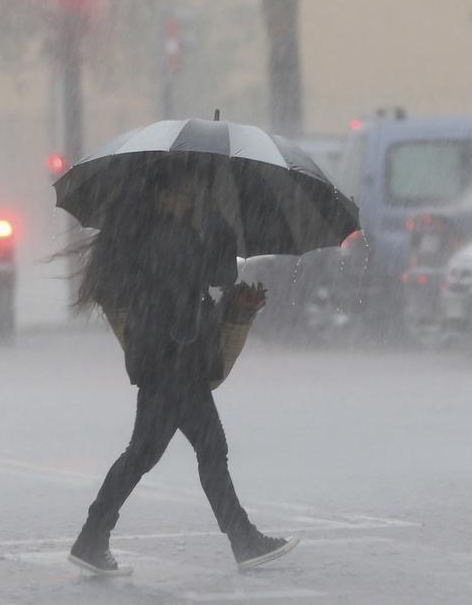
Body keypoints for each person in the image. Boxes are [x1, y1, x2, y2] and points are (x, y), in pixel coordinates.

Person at [68, 159, 299, 576]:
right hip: (174, 362)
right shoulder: (169, 237)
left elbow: (210, 277)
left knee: (148, 454)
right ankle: (242, 539)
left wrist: (209, 221)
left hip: (166, 360)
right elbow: (216, 273)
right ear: (165, 197)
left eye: (194, 192)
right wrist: (213, 221)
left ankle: (92, 536)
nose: (190, 198)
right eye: (187, 192)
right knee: (204, 451)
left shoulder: (158, 234)